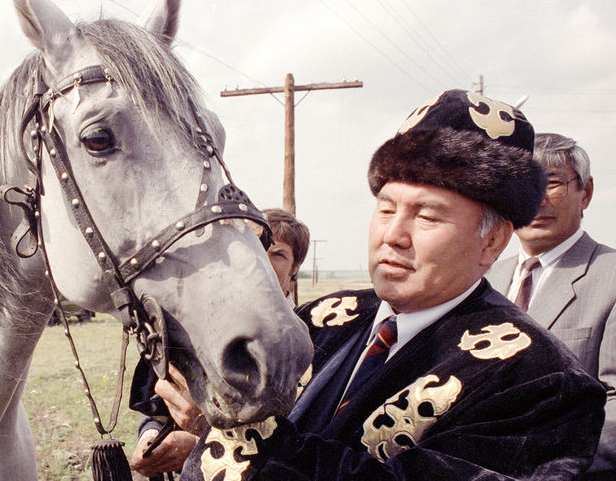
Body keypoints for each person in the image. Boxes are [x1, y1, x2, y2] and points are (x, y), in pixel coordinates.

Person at [157, 90, 606, 480]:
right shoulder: (322, 317)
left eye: (427, 215)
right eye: (386, 209)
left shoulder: (542, 382)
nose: (393, 235)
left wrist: (234, 432)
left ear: (492, 241)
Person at [129, 209, 310, 478]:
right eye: (257, 248)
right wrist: (151, 437)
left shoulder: (311, 338)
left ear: (295, 267)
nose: (264, 260)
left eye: (279, 254)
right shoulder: (203, 327)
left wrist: (200, 443)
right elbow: (162, 403)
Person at [486, 133, 616, 479]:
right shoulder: (483, 276)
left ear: (585, 192)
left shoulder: (611, 278)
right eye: (524, 186)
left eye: (553, 183)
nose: (537, 201)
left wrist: (537, 464)